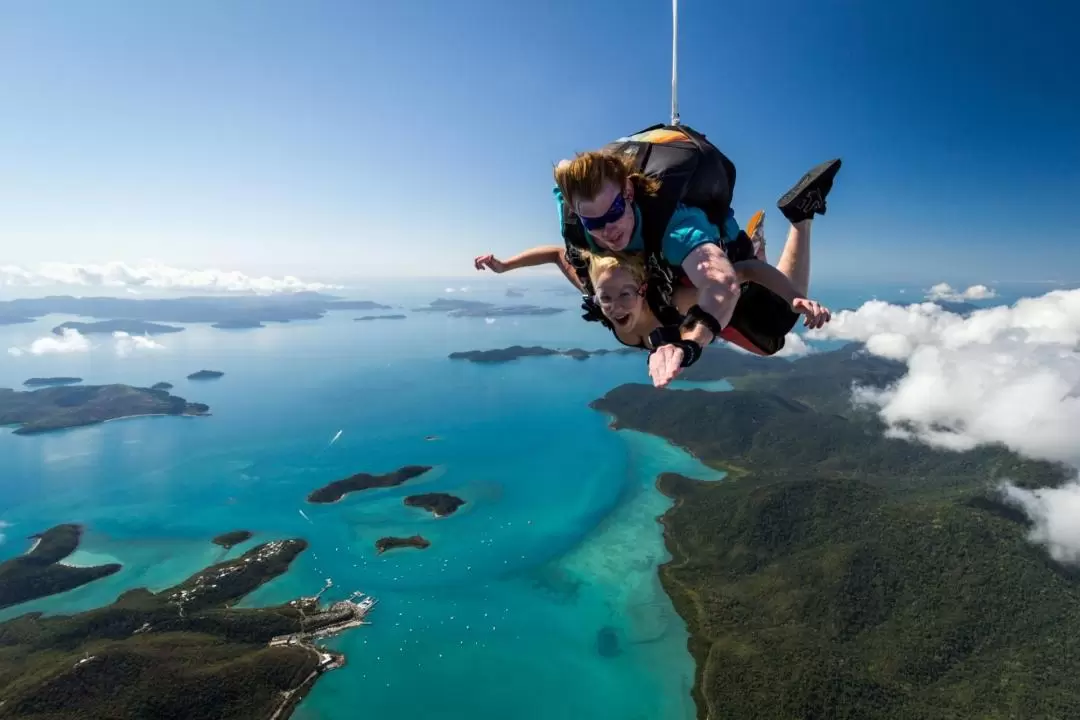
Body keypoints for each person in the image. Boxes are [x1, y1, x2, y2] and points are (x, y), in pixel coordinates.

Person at [475, 209, 831, 387]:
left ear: (643, 290)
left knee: (773, 336)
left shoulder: (673, 299)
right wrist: (505, 267)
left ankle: (781, 226)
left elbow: (746, 273)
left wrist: (794, 296)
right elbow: (556, 254)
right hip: (704, 302)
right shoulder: (596, 289)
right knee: (768, 321)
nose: (614, 306)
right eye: (606, 298)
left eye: (624, 295)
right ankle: (760, 240)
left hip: (717, 292)